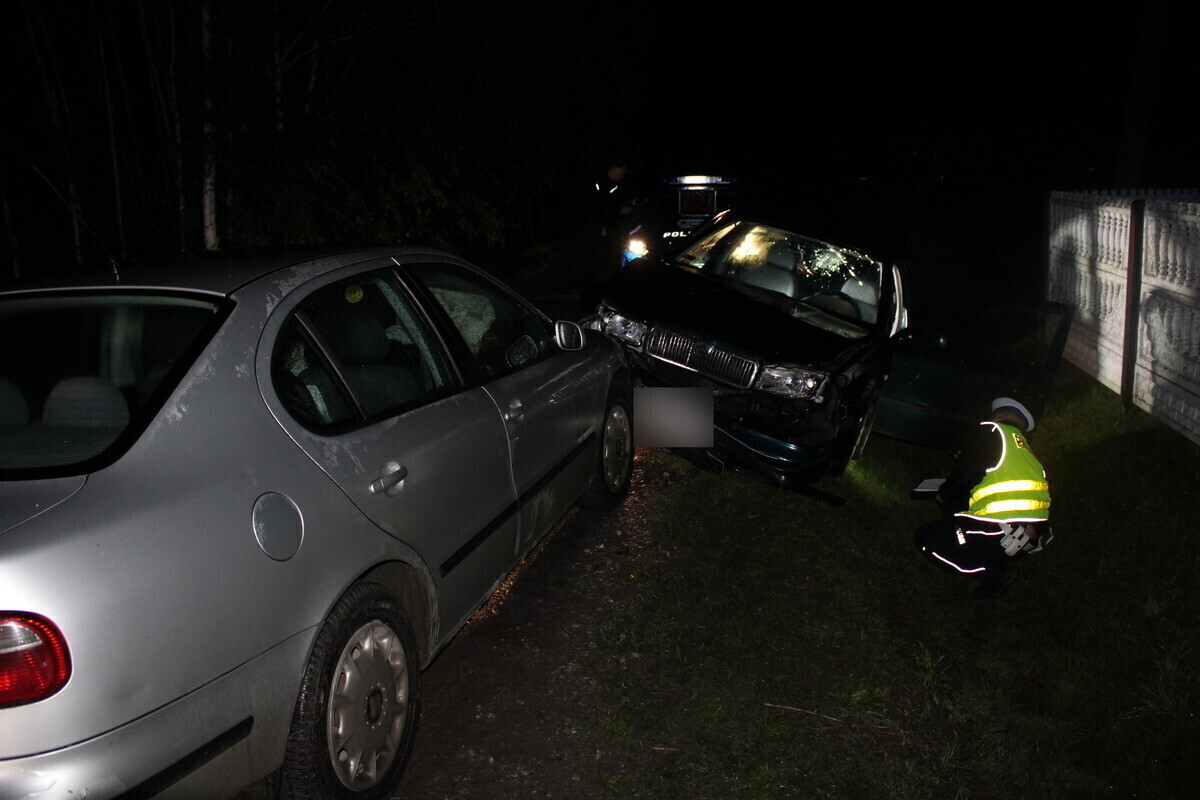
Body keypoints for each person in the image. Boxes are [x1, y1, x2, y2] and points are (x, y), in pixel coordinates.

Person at [914, 397, 1052, 598]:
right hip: (1024, 539)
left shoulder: (991, 430)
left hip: (999, 532)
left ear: (997, 415)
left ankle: (995, 572)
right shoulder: (1027, 453)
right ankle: (974, 545)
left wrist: (944, 494)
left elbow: (966, 474)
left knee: (926, 539)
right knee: (957, 506)